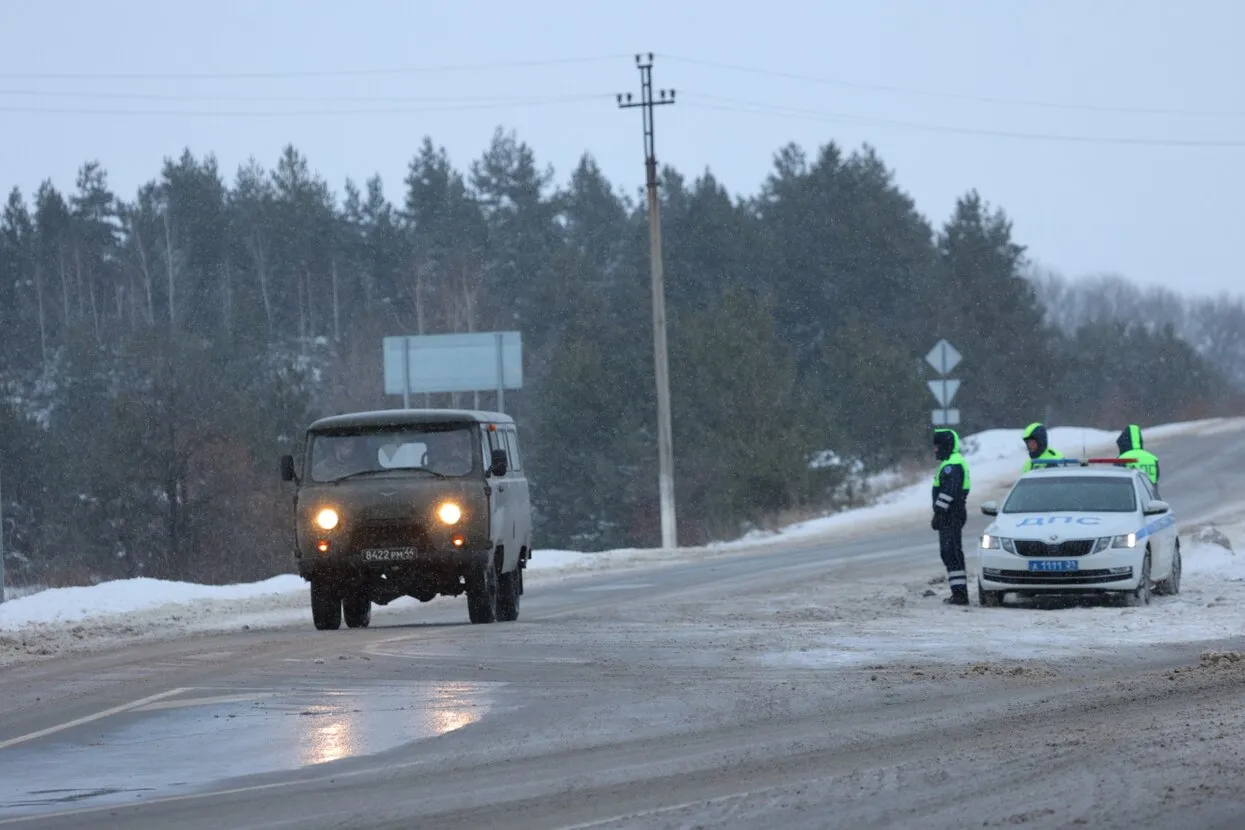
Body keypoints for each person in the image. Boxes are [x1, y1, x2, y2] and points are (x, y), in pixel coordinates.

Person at [931, 428, 971, 606]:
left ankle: (960, 595)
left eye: (937, 446)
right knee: (949, 553)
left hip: (951, 515)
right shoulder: (951, 462)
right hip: (951, 515)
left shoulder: (952, 465)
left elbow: (949, 492)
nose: (935, 450)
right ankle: (958, 592)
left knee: (951, 553)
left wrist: (939, 513)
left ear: (946, 446)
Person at [1116, 424, 1160, 492]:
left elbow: (1117, 483)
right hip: (1151, 498)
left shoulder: (1121, 459)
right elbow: (1156, 478)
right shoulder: (1152, 459)